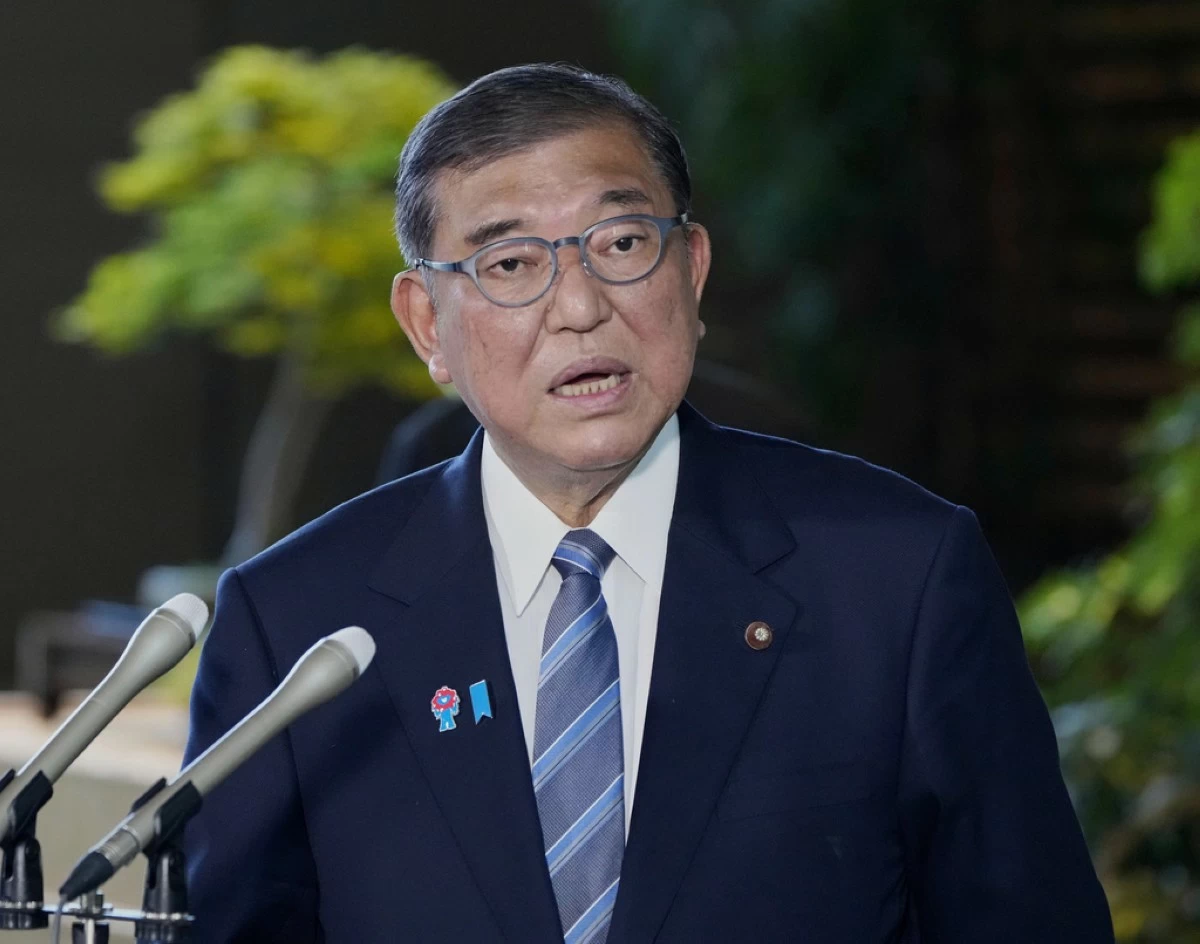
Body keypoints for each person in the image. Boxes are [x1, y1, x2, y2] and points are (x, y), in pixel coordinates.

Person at [183, 63, 1115, 943]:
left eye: (621, 243)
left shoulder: (897, 579)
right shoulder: (296, 627)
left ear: (692, 272)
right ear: (428, 323)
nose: (581, 306)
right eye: (511, 264)